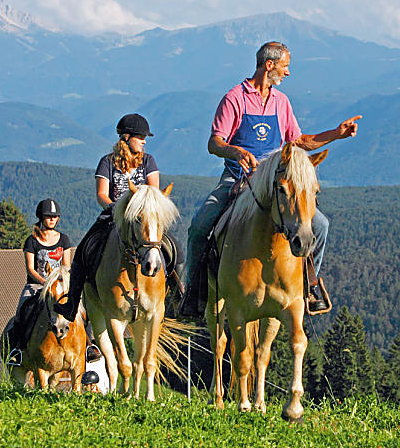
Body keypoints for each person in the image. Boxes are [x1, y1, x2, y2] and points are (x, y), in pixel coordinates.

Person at [180, 41, 362, 318]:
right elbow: (214, 143)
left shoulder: (281, 102)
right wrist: (236, 151)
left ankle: (307, 285)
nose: (287, 73)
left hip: (275, 181)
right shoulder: (235, 98)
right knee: (199, 227)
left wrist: (336, 133)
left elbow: (298, 141)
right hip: (238, 177)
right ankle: (194, 293)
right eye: (285, 66)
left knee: (320, 225)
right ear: (270, 65)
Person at [55, 113, 184, 321]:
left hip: (143, 218)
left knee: (174, 248)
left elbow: (154, 192)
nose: (144, 141)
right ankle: (72, 302)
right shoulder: (107, 162)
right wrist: (116, 209)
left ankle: (178, 295)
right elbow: (101, 195)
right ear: (126, 137)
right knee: (83, 251)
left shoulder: (149, 161)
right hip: (113, 216)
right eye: (140, 136)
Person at [7, 199, 100, 366]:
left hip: (61, 286)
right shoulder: (32, 241)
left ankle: (89, 346)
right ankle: (18, 349)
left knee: (81, 311)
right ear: (41, 218)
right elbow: (31, 269)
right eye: (48, 216)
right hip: (37, 285)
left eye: (55, 217)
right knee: (23, 311)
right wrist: (46, 283)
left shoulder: (63, 239)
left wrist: (60, 284)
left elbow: (66, 266)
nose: (52, 219)